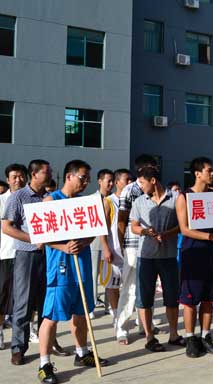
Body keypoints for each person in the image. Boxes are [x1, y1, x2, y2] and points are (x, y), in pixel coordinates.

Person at [37, 160, 109, 384]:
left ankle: (82, 352)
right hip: (60, 266)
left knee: (82, 311)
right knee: (52, 316)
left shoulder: (84, 204)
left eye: (88, 178)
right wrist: (63, 247)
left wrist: (84, 242)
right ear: (69, 176)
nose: (86, 182)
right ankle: (44, 364)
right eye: (82, 177)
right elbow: (41, 237)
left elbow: (95, 231)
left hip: (82, 264)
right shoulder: (51, 201)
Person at [2, 160, 67, 365]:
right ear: (34, 174)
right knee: (24, 303)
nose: (50, 175)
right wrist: (33, 239)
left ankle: (49, 343)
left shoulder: (51, 197)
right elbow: (7, 227)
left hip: (51, 254)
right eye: (46, 172)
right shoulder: (18, 197)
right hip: (28, 255)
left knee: (48, 301)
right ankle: (18, 348)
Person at [175, 157, 213, 356]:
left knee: (209, 298)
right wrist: (209, 236)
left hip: (212, 253)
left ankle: (205, 335)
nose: (212, 173)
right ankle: (190, 338)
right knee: (190, 299)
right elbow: (184, 229)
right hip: (193, 253)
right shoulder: (184, 197)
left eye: (212, 170)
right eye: (208, 170)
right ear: (197, 174)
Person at [129, 166, 181, 353]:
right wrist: (145, 231)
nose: (140, 186)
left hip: (169, 255)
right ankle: (149, 336)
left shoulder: (176, 198)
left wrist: (167, 234)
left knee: (172, 298)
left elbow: (183, 224)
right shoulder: (139, 201)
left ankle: (174, 334)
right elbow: (134, 226)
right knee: (144, 298)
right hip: (146, 256)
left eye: (142, 182)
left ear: (153, 181)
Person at [115, 154, 159, 345]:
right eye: (152, 166)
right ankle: (122, 328)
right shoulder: (130, 190)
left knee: (148, 287)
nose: (155, 170)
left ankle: (145, 325)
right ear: (141, 169)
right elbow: (122, 219)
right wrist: (121, 245)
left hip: (152, 245)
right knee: (130, 287)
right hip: (133, 245)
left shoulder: (156, 189)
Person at [0, 164, 27, 350]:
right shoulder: (1, 201)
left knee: (26, 298)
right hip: (6, 254)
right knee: (2, 296)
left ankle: (28, 331)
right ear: (8, 180)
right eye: (14, 177)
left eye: (21, 176)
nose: (18, 180)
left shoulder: (32, 199)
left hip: (27, 254)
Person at [102, 169, 130, 320]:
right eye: (127, 180)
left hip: (129, 251)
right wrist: (106, 248)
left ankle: (134, 318)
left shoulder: (133, 200)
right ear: (117, 182)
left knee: (131, 287)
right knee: (113, 286)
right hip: (113, 251)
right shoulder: (109, 201)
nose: (130, 183)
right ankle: (116, 316)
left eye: (131, 180)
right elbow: (102, 228)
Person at [89, 169, 115, 317]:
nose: (111, 184)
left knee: (109, 274)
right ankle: (91, 306)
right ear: (100, 181)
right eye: (108, 181)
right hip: (94, 243)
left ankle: (108, 304)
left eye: (112, 181)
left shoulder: (113, 199)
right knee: (93, 275)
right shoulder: (91, 199)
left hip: (110, 242)